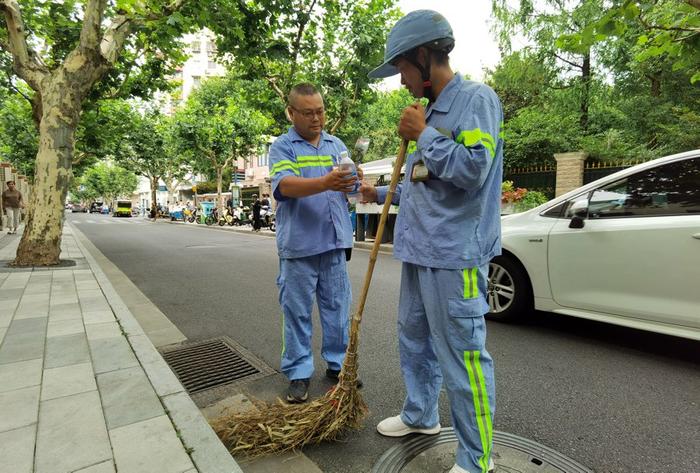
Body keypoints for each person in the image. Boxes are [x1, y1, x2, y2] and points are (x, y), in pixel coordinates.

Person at [361, 10, 503, 473]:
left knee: (462, 355)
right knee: (414, 339)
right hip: (419, 252)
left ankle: (475, 459)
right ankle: (421, 415)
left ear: (424, 57)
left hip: (455, 256)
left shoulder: (476, 101)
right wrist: (377, 192)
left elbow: (472, 171)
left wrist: (424, 136)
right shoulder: (428, 110)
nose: (400, 80)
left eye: (401, 67)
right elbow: (423, 185)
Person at [268, 82, 361, 403]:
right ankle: (298, 373)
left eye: (320, 111)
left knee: (337, 310)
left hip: (334, 244)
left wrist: (354, 180)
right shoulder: (283, 147)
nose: (316, 118)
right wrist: (326, 181)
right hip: (299, 247)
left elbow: (350, 191)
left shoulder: (337, 145)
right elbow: (285, 186)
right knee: (297, 313)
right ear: (291, 113)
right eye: (308, 113)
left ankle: (337, 365)